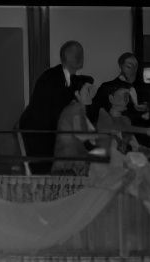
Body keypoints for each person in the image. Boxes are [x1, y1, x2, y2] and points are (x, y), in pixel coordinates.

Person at [19, 40, 88, 172]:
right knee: (45, 174)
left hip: (51, 132)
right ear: (66, 57)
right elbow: (54, 111)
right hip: (40, 134)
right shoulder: (51, 77)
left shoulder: (71, 79)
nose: (80, 57)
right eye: (77, 54)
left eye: (81, 53)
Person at [50, 76, 101, 175]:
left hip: (72, 164)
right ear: (77, 93)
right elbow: (82, 136)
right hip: (69, 167)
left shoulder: (76, 108)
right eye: (88, 90)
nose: (91, 94)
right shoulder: (75, 110)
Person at [94, 86, 150, 155]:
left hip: (120, 158)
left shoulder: (125, 119)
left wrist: (138, 147)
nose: (126, 100)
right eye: (123, 96)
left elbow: (130, 137)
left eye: (127, 97)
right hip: (105, 157)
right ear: (111, 98)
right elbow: (121, 127)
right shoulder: (103, 114)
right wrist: (144, 130)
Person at [91, 51, 150, 122]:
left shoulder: (142, 88)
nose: (133, 70)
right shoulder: (107, 87)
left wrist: (147, 108)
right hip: (117, 127)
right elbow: (95, 111)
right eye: (129, 66)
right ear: (121, 67)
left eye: (136, 66)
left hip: (141, 128)